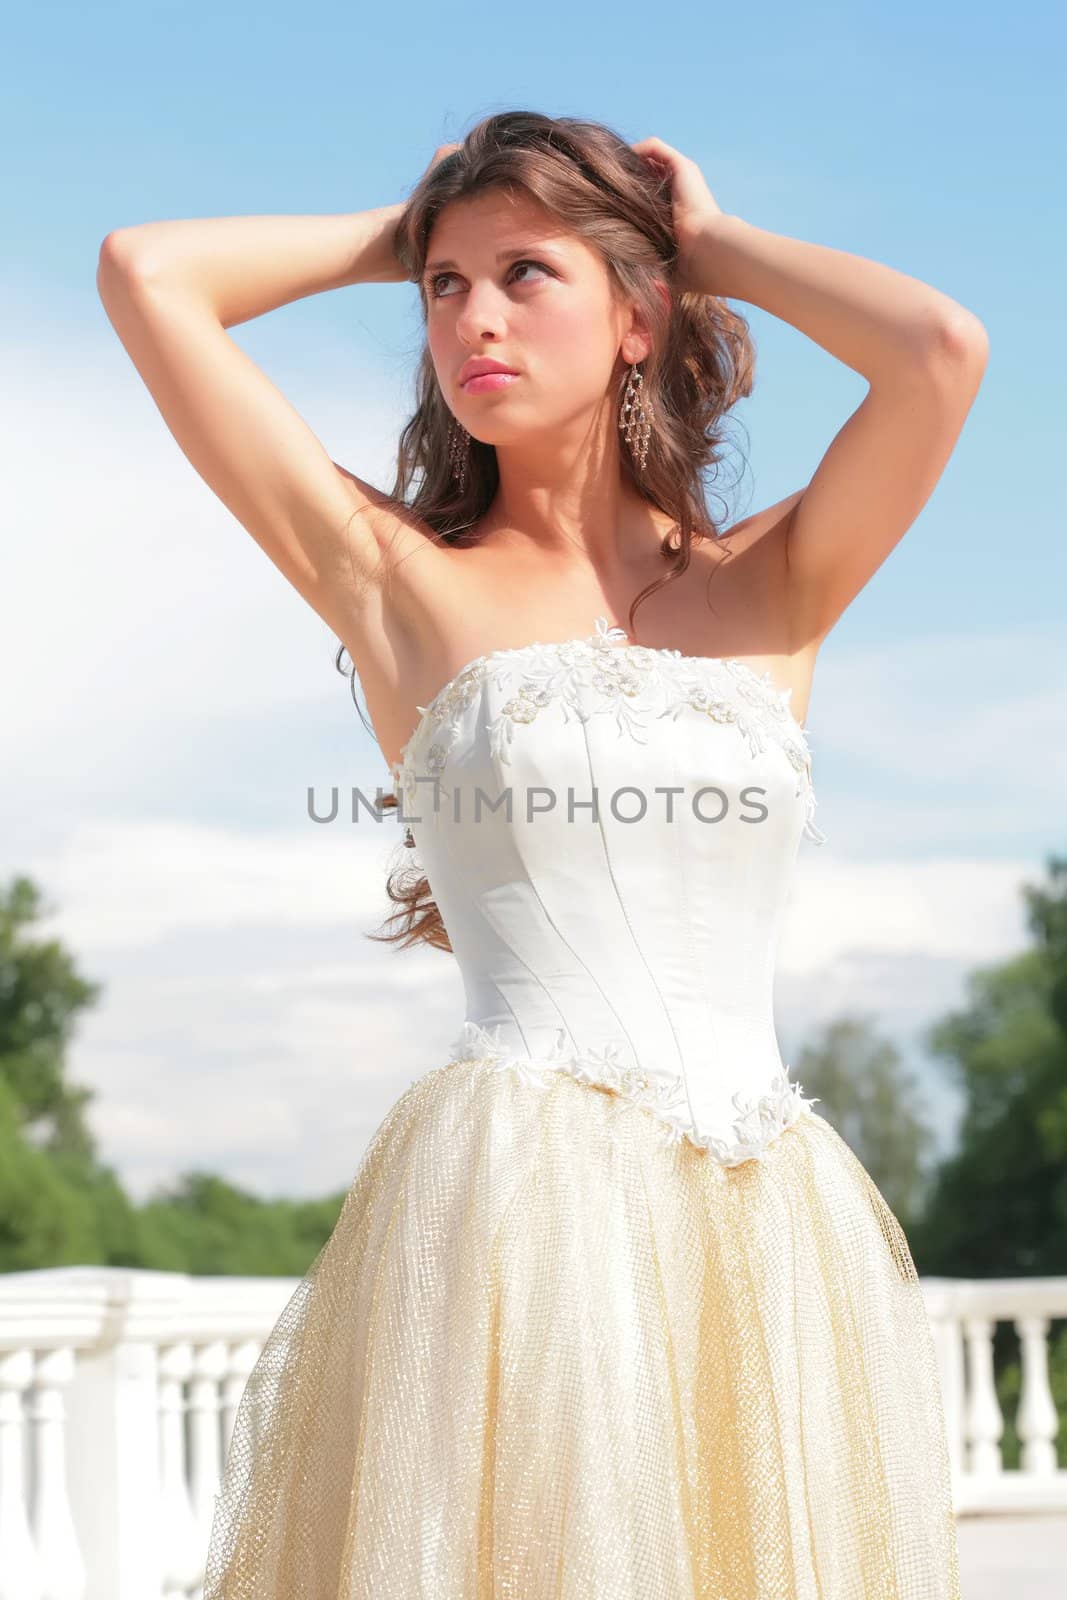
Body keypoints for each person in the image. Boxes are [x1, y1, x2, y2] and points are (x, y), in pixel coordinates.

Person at [97, 110, 986, 1598]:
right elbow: (147, 274)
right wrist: (412, 226)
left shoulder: (782, 580)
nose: (473, 319)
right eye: (444, 289)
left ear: (638, 316)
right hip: (517, 1214)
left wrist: (710, 247)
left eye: (526, 275)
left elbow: (941, 352)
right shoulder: (393, 581)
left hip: (768, 1212)